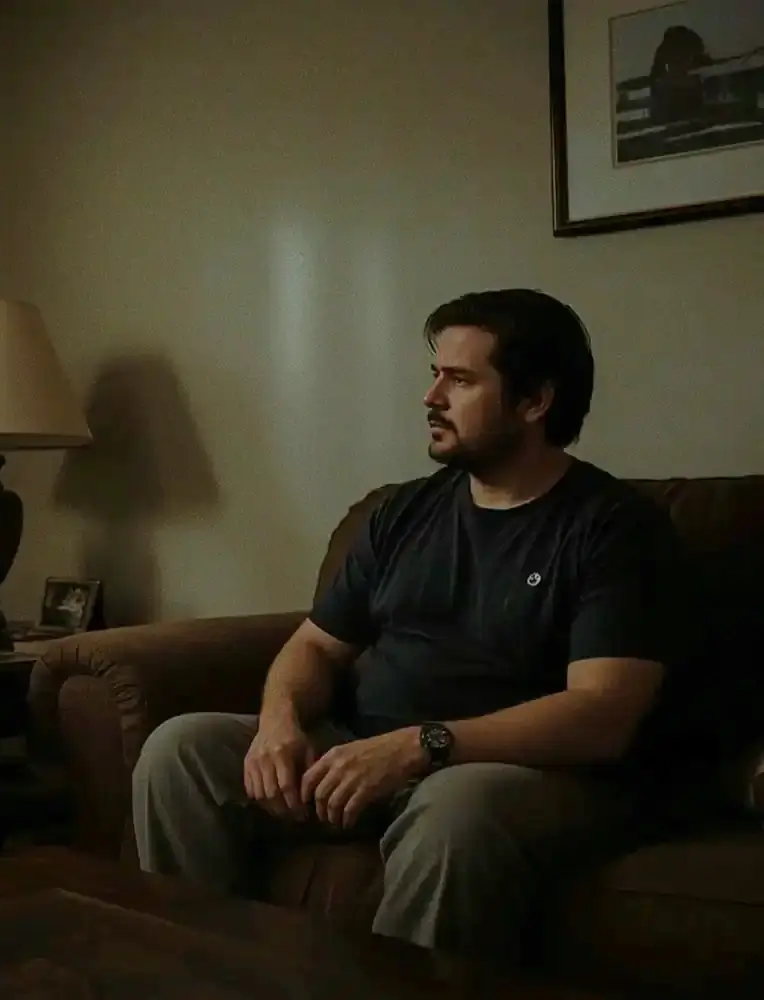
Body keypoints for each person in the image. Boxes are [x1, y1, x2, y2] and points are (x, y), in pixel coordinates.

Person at [131, 289, 683, 964]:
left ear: (535, 401)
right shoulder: (401, 513)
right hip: (364, 749)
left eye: (460, 379)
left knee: (455, 809)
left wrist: (424, 746)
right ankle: (206, 979)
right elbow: (313, 646)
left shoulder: (612, 528)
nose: (430, 397)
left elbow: (603, 714)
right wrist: (279, 724)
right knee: (180, 750)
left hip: (520, 773)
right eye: (434, 373)